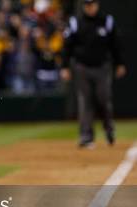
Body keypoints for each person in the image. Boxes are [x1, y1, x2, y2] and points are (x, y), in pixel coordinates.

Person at [61, 0, 126, 148]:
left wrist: (119, 63)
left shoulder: (107, 21)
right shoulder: (75, 22)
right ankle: (86, 136)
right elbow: (67, 46)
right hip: (82, 67)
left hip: (102, 67)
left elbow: (115, 44)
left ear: (97, 5)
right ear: (84, 6)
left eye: (92, 4)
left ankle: (109, 130)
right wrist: (65, 66)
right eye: (87, 4)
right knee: (85, 101)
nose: (90, 7)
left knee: (104, 99)